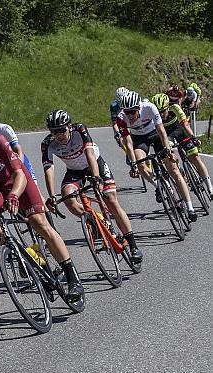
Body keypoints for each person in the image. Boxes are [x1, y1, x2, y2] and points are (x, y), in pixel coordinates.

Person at [0, 117, 84, 301]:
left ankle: (72, 278)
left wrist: (13, 195)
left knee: (40, 223)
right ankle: (19, 251)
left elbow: (19, 173)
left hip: (17, 181)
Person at [41, 109, 143, 264]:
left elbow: (89, 153)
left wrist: (96, 177)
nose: (59, 135)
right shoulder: (48, 143)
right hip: (75, 171)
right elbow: (49, 169)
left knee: (110, 199)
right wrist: (52, 196)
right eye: (55, 132)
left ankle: (133, 245)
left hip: (95, 164)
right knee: (67, 196)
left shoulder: (79, 129)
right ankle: (96, 221)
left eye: (62, 130)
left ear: (69, 126)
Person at [116, 90, 198, 222]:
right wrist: (132, 163)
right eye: (127, 112)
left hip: (155, 134)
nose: (130, 115)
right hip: (139, 139)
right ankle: (160, 185)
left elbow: (161, 130)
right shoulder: (121, 118)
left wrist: (168, 150)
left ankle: (190, 208)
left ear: (139, 107)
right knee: (140, 164)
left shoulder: (149, 108)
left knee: (174, 171)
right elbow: (128, 142)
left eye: (132, 111)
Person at [150, 93, 212, 196]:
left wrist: (193, 137)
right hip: (168, 135)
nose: (161, 114)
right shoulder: (153, 116)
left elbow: (185, 124)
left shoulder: (175, 108)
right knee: (170, 153)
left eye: (163, 111)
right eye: (158, 112)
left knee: (195, 157)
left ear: (168, 106)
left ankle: (210, 187)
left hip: (180, 131)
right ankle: (180, 169)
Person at [0, 108, 39, 183]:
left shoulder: (5, 129)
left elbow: (18, 150)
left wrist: (19, 168)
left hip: (13, 158)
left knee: (32, 184)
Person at [110, 87, 129, 154]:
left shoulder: (131, 100)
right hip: (120, 124)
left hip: (130, 122)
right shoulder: (114, 106)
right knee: (119, 139)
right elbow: (114, 122)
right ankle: (128, 154)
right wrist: (118, 133)